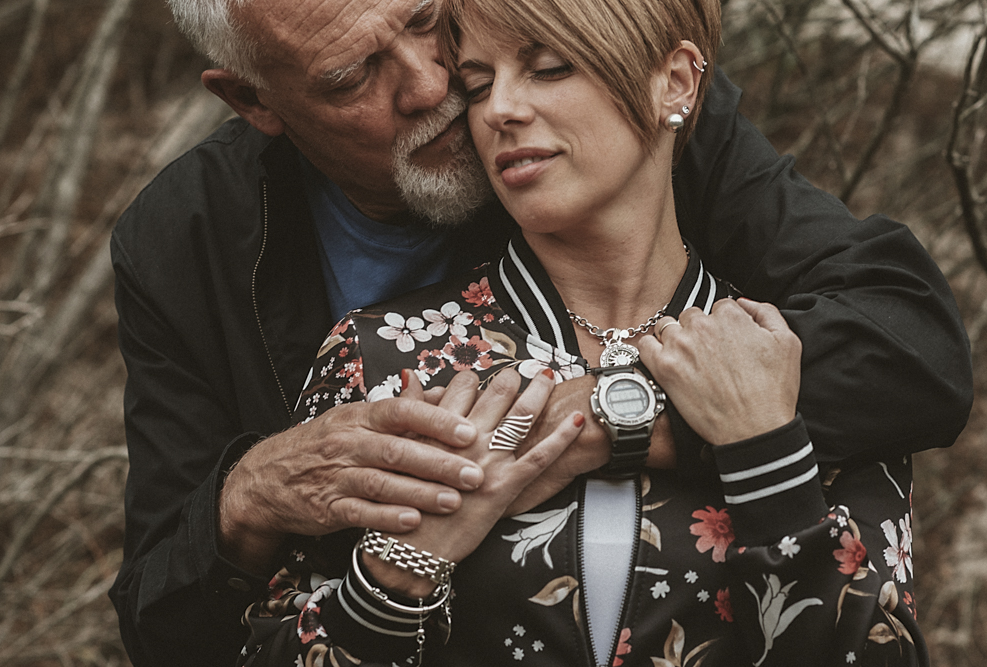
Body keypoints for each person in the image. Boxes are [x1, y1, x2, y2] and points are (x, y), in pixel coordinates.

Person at [108, 0, 971, 665]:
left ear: (676, 85)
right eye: (349, 77)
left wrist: (617, 420)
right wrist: (256, 499)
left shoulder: (761, 339)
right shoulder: (195, 247)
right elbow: (177, 620)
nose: (444, 92)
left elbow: (910, 343)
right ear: (254, 100)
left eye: (427, 22)